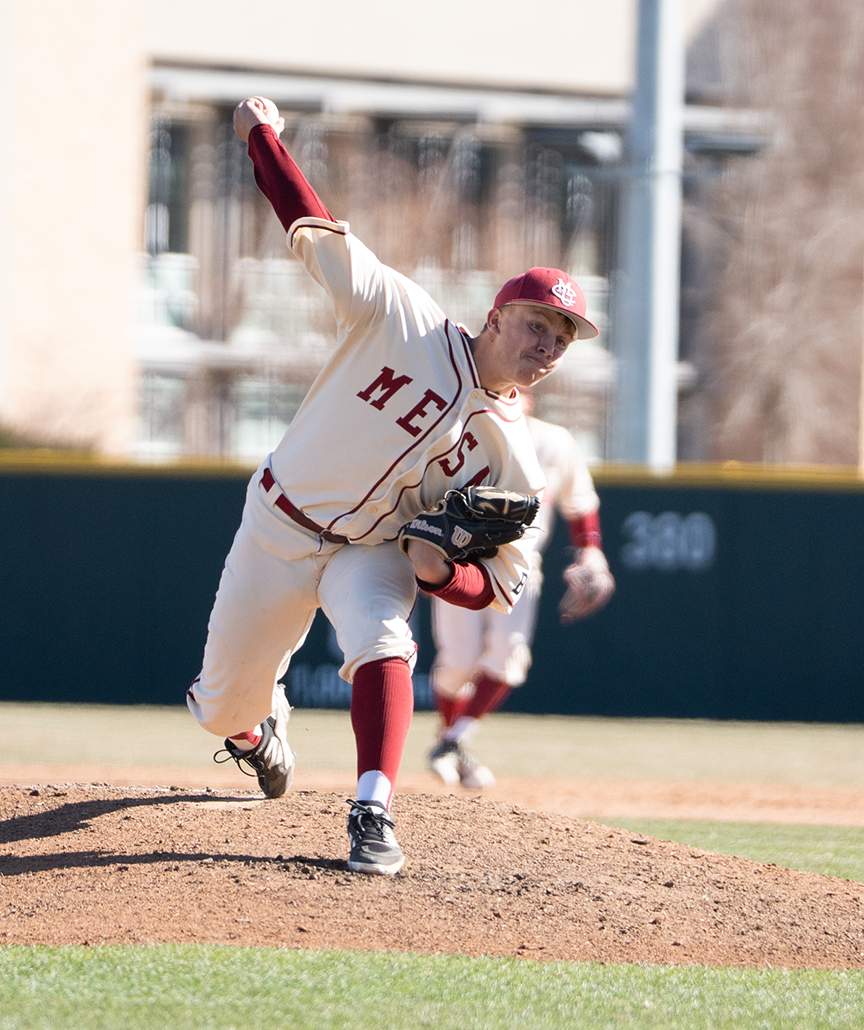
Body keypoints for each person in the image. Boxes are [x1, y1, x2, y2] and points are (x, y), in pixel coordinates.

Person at [186, 96, 598, 875]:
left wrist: (447, 573)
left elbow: (501, 588)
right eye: (538, 324)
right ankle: (255, 731)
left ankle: (371, 809)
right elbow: (312, 230)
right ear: (498, 314)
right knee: (220, 706)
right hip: (279, 522)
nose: (548, 345)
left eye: (562, 339)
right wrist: (260, 138)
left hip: (369, 551)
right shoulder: (403, 320)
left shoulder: (516, 460)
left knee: (386, 642)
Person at [427, 395, 615, 789]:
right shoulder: (459, 435)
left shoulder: (553, 442)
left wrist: (592, 551)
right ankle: (452, 745)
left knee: (509, 653)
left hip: (519, 565)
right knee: (457, 661)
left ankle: (450, 742)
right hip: (459, 560)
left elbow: (579, 503)